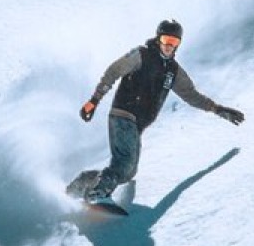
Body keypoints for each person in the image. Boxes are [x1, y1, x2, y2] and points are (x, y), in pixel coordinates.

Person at [67, 19, 244, 205]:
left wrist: (217, 109)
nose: (169, 46)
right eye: (166, 40)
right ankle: (98, 193)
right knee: (124, 164)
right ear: (159, 38)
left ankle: (81, 185)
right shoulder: (141, 55)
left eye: (174, 42)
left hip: (136, 124)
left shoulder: (173, 71)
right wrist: (95, 99)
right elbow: (114, 70)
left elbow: (191, 94)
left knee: (127, 173)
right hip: (124, 114)